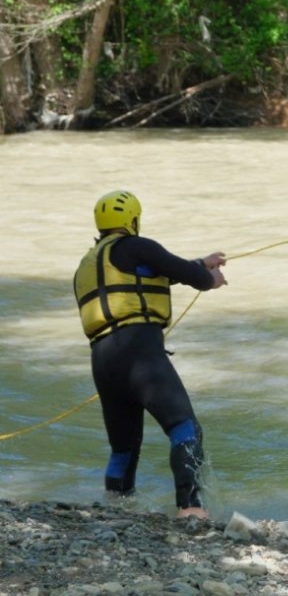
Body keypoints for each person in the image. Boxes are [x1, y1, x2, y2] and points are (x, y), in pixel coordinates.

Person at [72, 190, 227, 519]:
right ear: (133, 221)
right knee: (184, 427)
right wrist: (208, 277)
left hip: (102, 359)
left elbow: (149, 276)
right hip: (139, 350)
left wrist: (201, 262)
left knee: (123, 447)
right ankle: (191, 508)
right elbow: (184, 273)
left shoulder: (87, 265)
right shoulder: (136, 245)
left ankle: (117, 506)